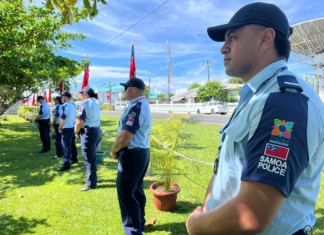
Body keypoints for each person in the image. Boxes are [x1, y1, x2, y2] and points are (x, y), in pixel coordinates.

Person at [186, 2, 324, 235]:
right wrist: (208, 206)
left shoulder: (283, 102)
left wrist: (196, 225)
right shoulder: (256, 96)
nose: (223, 48)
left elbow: (251, 215)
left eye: (233, 37)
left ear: (265, 39)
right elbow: (224, 167)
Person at [111, 77, 152, 235]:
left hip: (133, 154)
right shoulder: (140, 104)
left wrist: (114, 150)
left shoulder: (137, 107)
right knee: (136, 190)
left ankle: (133, 231)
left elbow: (124, 137)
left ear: (134, 89)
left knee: (127, 194)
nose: (124, 91)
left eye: (126, 88)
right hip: (140, 153)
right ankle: (139, 224)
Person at [74, 87, 102, 191]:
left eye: (82, 94)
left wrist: (76, 132)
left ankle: (91, 183)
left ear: (86, 94)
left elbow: (79, 121)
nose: (80, 96)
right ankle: (91, 179)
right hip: (96, 131)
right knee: (91, 157)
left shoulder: (85, 103)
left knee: (89, 159)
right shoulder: (95, 103)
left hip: (89, 133)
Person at [57, 92, 78, 171]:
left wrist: (59, 128)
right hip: (72, 127)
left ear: (65, 97)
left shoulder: (65, 106)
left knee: (66, 147)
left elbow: (62, 120)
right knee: (72, 145)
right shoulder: (73, 106)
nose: (61, 99)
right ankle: (74, 159)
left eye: (62, 97)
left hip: (67, 129)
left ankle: (66, 164)